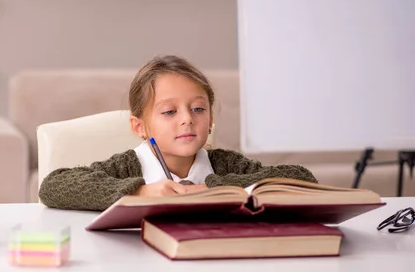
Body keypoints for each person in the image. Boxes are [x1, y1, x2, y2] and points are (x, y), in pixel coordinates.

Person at [38, 55, 317, 211]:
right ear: (140, 127)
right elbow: (53, 186)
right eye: (169, 112)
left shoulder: (225, 165)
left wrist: (214, 190)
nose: (187, 120)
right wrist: (140, 192)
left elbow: (302, 178)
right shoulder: (127, 168)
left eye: (197, 109)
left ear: (209, 121)